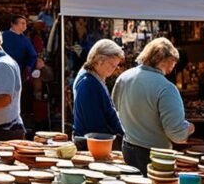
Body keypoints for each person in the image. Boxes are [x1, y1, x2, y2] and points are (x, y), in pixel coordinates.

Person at [112, 37, 193, 170]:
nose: (174, 66)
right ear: (166, 61)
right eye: (173, 62)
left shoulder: (124, 77)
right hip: (155, 155)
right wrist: (189, 128)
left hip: (128, 148)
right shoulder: (166, 88)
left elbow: (116, 109)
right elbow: (176, 134)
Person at [72, 39, 125, 139]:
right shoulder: (89, 83)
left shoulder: (94, 78)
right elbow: (95, 124)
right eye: (112, 65)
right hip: (91, 144)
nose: (114, 69)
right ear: (100, 61)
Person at [2, 15, 38, 81]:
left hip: (18, 71)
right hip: (2, 69)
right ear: (13, 24)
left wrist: (28, 67)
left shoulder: (25, 39)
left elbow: (33, 55)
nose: (25, 26)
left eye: (25, 23)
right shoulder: (2, 36)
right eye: (22, 23)